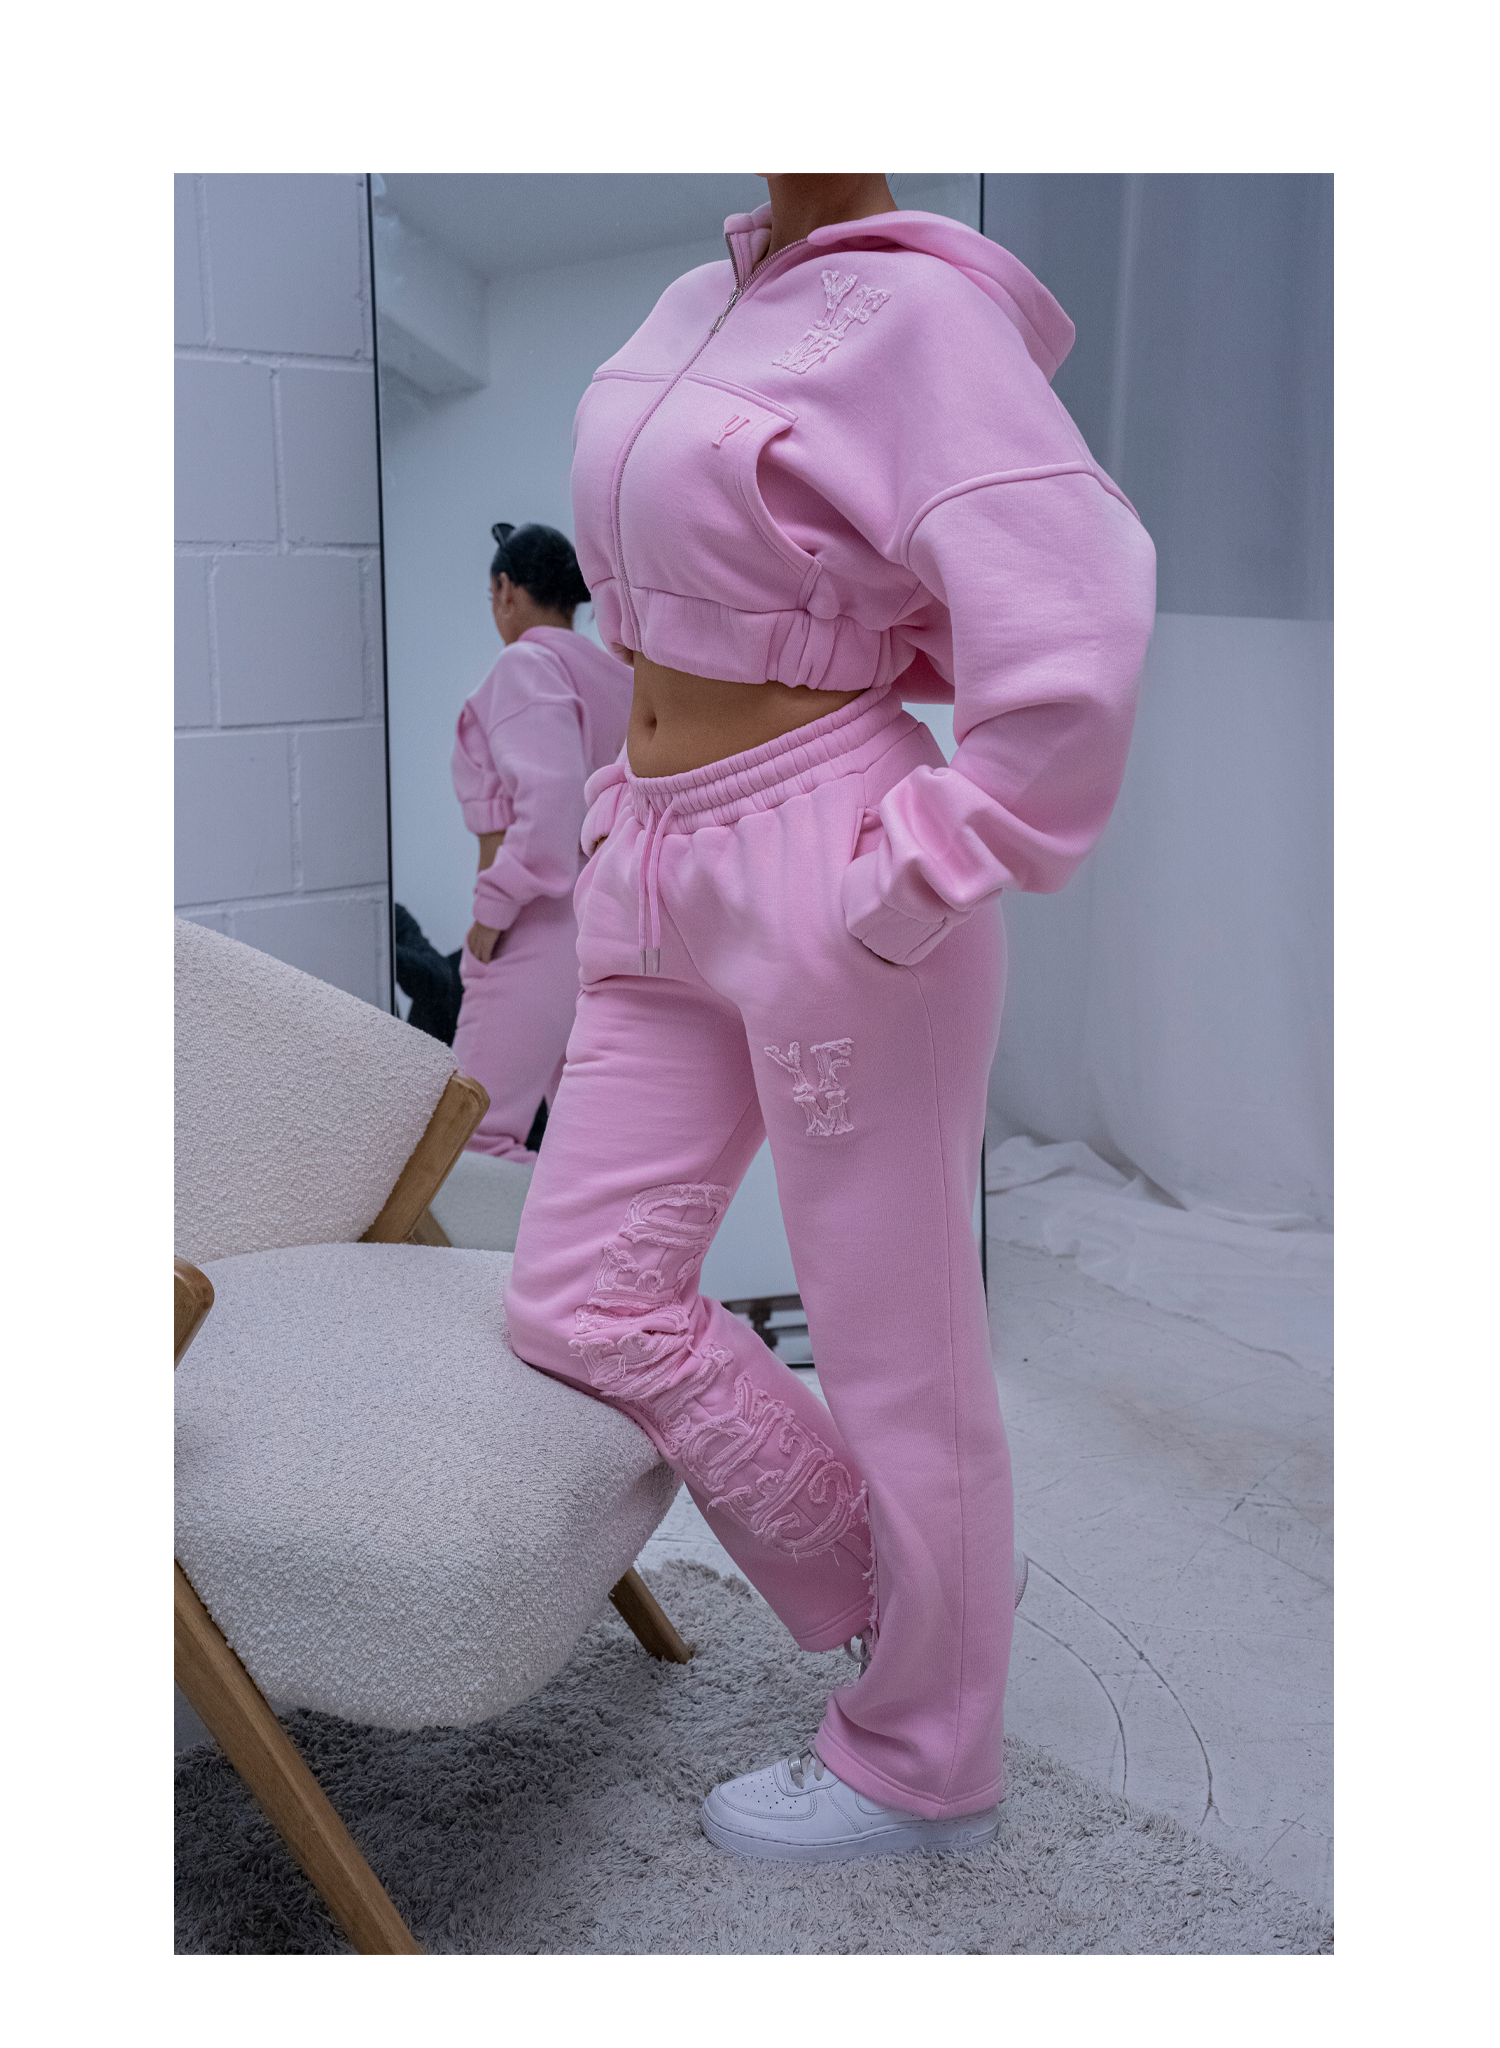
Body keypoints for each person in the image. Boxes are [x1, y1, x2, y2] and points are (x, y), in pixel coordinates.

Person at [504, 173, 1156, 1861]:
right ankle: (910, 1587)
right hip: (652, 855)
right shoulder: (690, 300)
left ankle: (928, 1760)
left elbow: (1078, 598)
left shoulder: (927, 311)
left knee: (897, 1348)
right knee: (580, 1294)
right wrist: (613, 821)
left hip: (829, 853)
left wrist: (928, 867)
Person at [450, 523, 632, 1159]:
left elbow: (551, 808)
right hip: (601, 923)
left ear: (507, 589)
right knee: (588, 1151)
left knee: (468, 1140)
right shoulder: (616, 677)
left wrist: (491, 913)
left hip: (532, 926)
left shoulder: (525, 664)